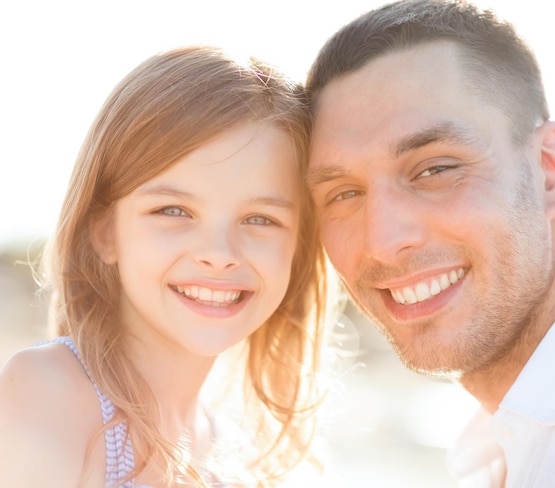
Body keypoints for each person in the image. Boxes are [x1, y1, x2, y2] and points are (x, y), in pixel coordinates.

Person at [305, 0, 555, 486]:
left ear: (551, 171)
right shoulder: (488, 452)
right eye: (344, 193)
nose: (385, 242)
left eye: (435, 169)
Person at [0, 45, 329, 487]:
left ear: (298, 247)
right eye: (173, 210)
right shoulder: (50, 392)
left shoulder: (238, 462)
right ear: (104, 231)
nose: (219, 252)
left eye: (260, 219)